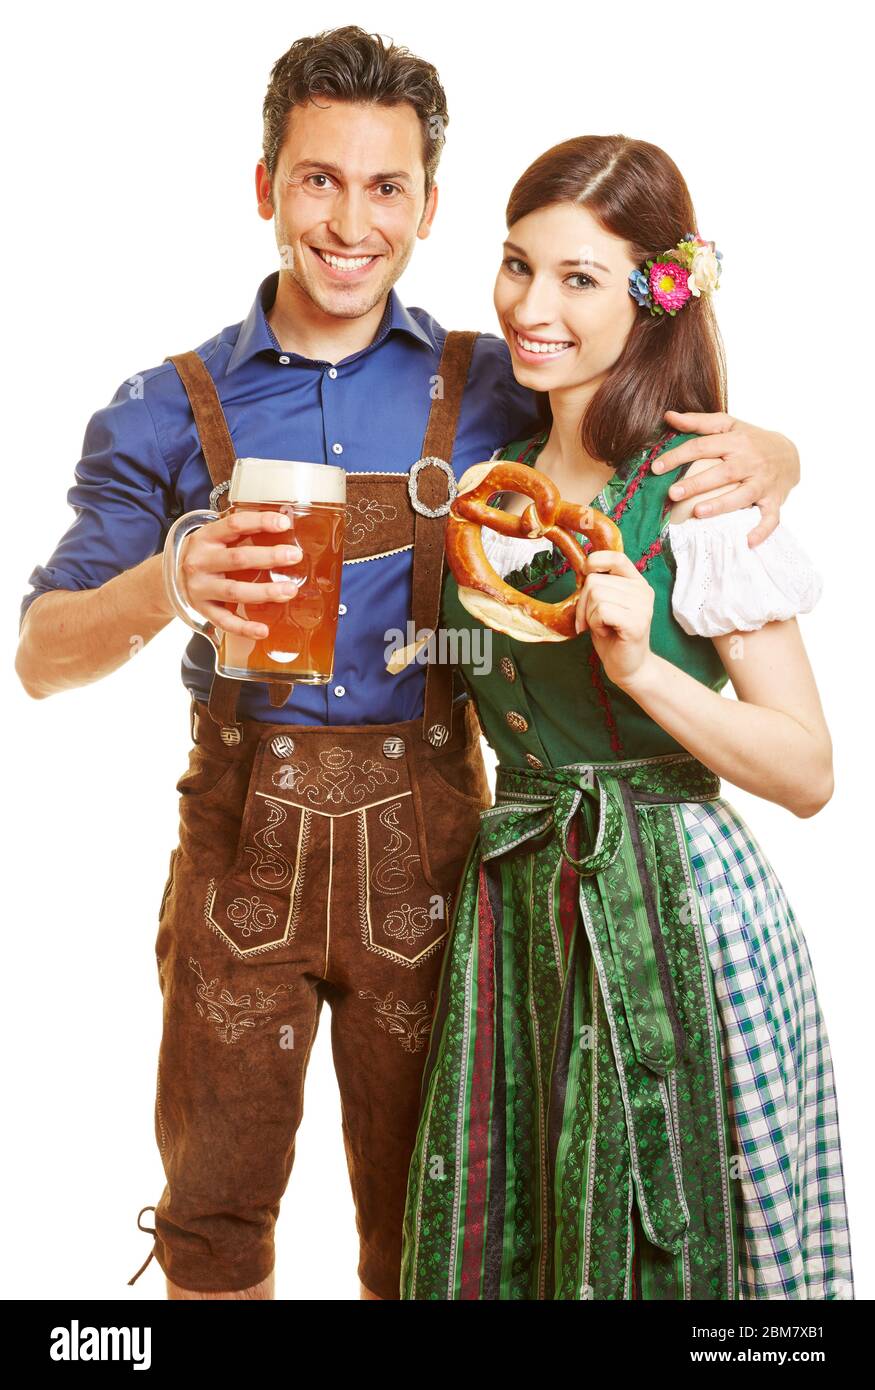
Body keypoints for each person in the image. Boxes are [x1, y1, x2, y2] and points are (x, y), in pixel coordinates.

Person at [15, 32, 800, 1303]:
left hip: (437, 851)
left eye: (386, 188)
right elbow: (40, 658)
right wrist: (170, 581)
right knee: (212, 1221)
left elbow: (642, 400)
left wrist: (772, 447)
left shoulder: (498, 382)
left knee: (435, 1223)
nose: (349, 220)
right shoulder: (164, 406)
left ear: (428, 208)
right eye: (318, 179)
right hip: (237, 842)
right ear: (263, 185)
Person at [400, 134, 854, 1301]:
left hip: (681, 914)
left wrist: (648, 670)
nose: (530, 306)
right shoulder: (487, 477)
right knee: (531, 1225)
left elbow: (807, 771)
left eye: (578, 278)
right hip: (515, 913)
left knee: (684, 1236)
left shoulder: (702, 491)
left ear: (655, 299)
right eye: (515, 264)